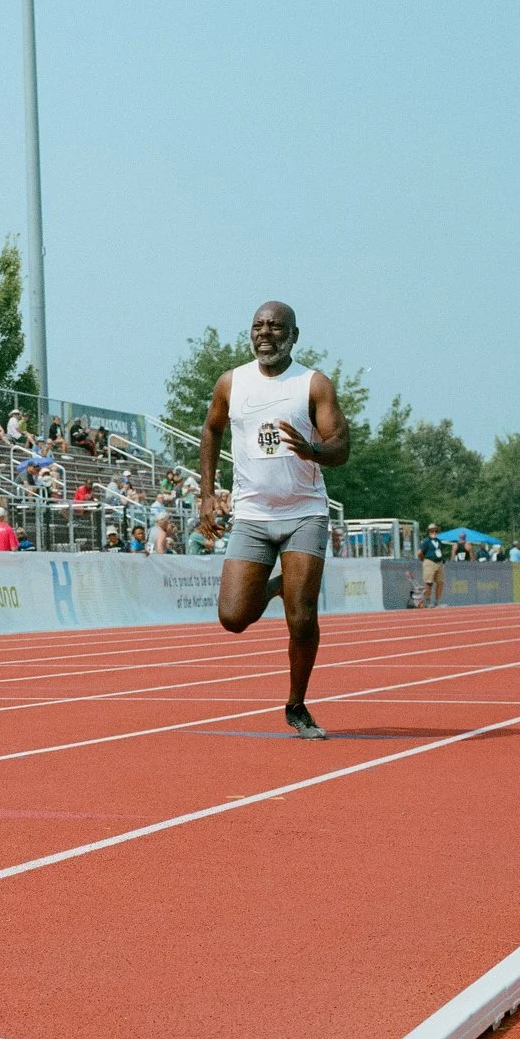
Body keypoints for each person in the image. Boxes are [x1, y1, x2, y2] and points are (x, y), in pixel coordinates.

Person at [198, 301, 351, 739]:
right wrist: (207, 494)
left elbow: (341, 446)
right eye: (259, 326)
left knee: (301, 619)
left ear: (294, 335)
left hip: (303, 511)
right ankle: (279, 585)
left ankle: (297, 705)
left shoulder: (312, 384)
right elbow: (211, 429)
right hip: (252, 513)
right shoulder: (232, 382)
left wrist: (314, 450)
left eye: (276, 327)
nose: (266, 333)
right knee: (233, 617)